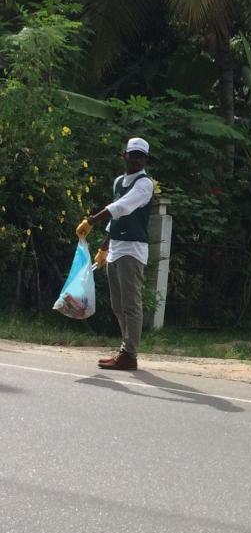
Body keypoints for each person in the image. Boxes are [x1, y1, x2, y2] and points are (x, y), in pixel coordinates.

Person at [75, 137, 155, 371]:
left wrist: (91, 220)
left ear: (145, 159)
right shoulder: (119, 181)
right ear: (125, 155)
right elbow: (117, 217)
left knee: (131, 304)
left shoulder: (145, 184)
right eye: (133, 154)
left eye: (141, 156)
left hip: (133, 249)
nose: (136, 159)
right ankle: (125, 348)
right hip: (116, 248)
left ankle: (129, 353)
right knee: (117, 305)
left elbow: (123, 207)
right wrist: (104, 247)